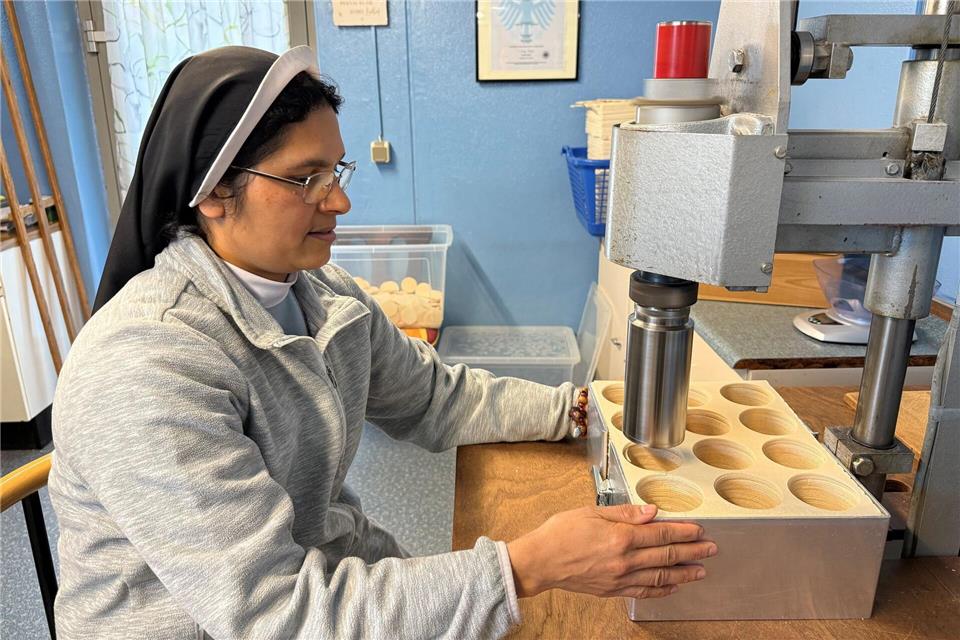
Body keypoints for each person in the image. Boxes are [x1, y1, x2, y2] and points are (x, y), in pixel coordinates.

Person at [49, 46, 717, 639]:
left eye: (336, 171)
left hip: (329, 584)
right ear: (216, 192)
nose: (339, 202)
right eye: (305, 178)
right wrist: (524, 568)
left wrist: (574, 408)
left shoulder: (323, 294)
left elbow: (434, 398)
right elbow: (274, 615)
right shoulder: (148, 367)